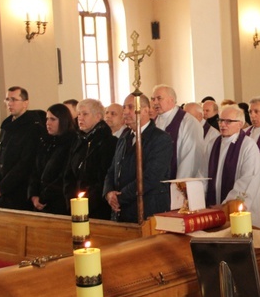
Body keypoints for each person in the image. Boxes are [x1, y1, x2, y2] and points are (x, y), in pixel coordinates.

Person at [103, 94, 172, 223]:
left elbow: (151, 177)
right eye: (124, 107)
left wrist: (120, 197)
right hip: (121, 210)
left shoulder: (160, 139)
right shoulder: (125, 136)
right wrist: (109, 192)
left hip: (147, 209)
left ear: (146, 110)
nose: (126, 112)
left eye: (131, 107)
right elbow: (112, 169)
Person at [205, 105, 260, 227]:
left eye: (228, 121)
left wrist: (226, 205)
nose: (222, 124)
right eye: (221, 120)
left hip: (239, 211)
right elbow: (203, 174)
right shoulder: (212, 144)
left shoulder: (248, 146)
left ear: (240, 124)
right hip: (213, 207)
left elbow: (249, 179)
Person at [0, 86, 43, 210]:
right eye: (7, 99)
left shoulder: (32, 127)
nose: (9, 103)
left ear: (25, 103)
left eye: (14, 99)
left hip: (20, 192)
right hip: (3, 191)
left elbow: (25, 163)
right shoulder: (7, 125)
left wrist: (3, 187)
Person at [64, 98, 115, 220]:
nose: (80, 118)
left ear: (98, 117)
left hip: (97, 207)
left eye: (85, 114)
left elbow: (104, 177)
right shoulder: (78, 140)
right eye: (79, 114)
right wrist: (71, 200)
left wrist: (87, 203)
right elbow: (68, 173)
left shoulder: (108, 142)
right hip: (76, 204)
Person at [29, 104, 76, 215]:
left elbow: (65, 174)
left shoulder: (72, 142)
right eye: (47, 119)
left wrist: (44, 196)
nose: (47, 123)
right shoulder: (45, 141)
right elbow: (35, 169)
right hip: (40, 199)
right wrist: (34, 194)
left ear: (63, 121)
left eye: (53, 119)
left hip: (59, 201)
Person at [152, 84, 205, 179]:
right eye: (153, 99)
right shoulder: (154, 122)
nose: (155, 102)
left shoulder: (188, 122)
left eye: (159, 98)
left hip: (177, 181)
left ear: (171, 100)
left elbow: (190, 157)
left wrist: (179, 185)